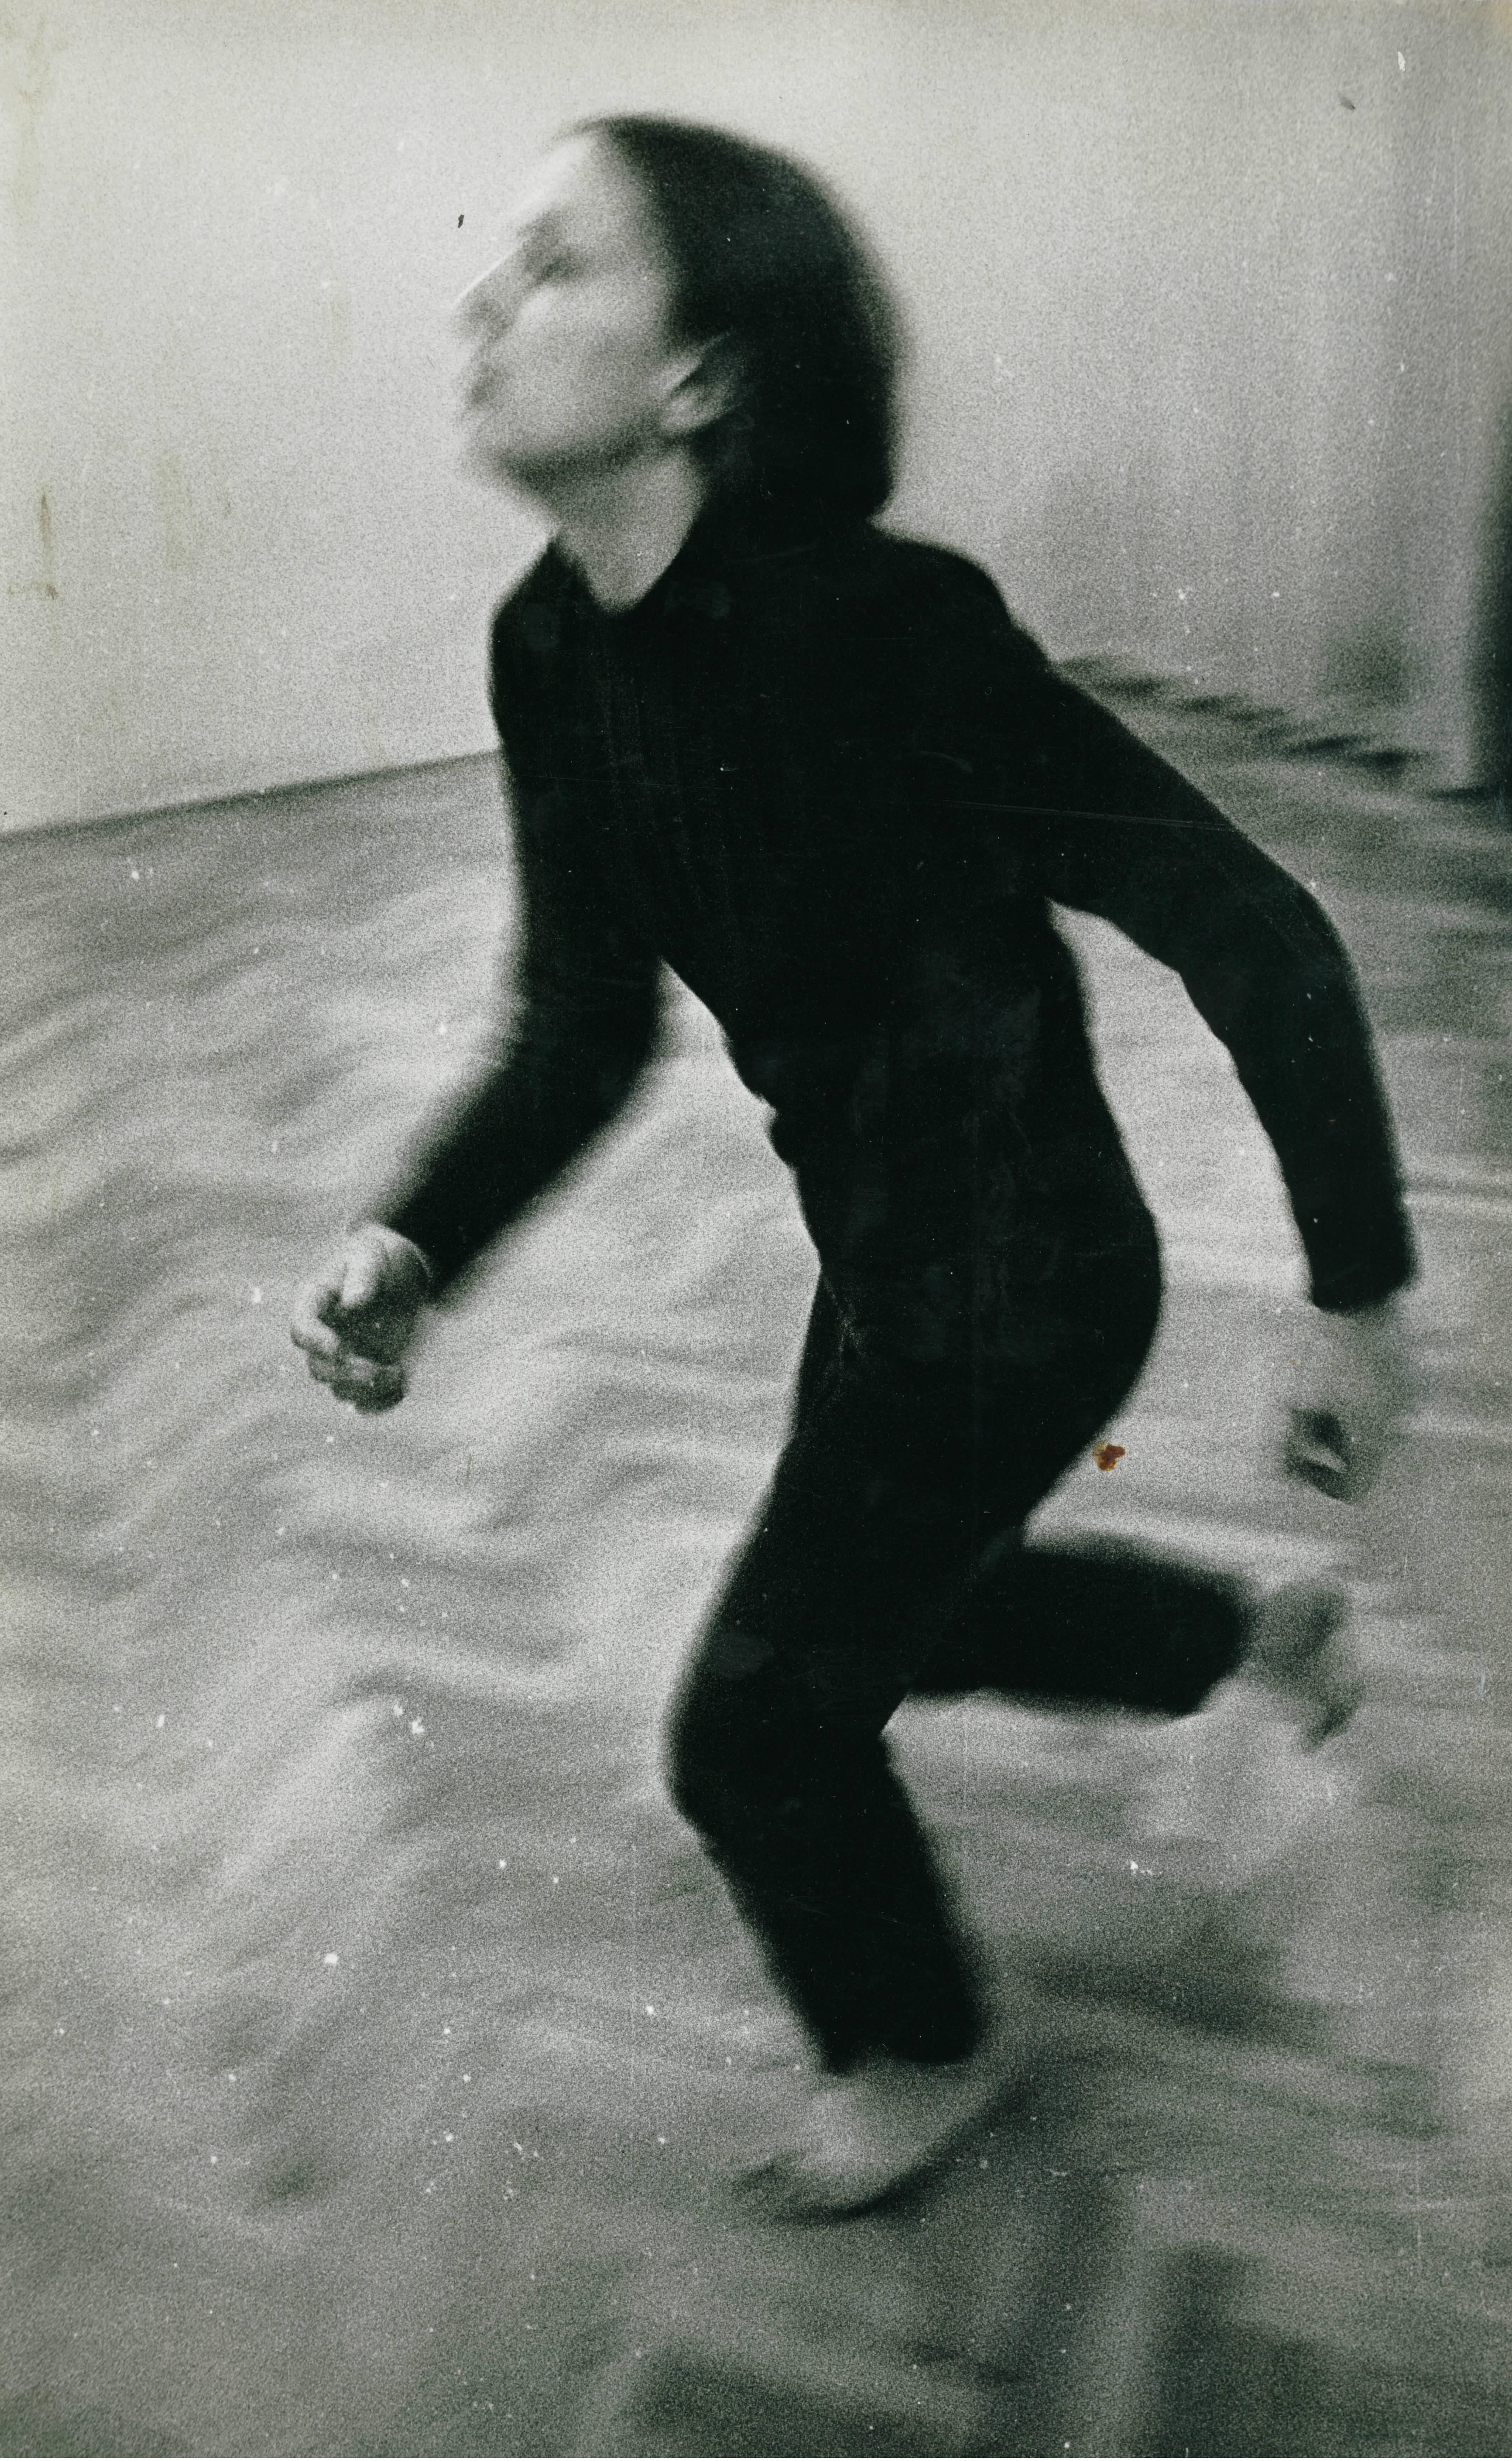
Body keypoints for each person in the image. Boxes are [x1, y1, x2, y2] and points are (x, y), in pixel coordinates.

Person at [291, 116, 1416, 2217]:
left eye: (551, 265)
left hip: (1031, 1279)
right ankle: (1259, 1637)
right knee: (920, 1614)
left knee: (750, 1737)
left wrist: (1359, 1303)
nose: (481, 302)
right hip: (888, 1261)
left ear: (699, 375)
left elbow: (1250, 926)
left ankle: (925, 2051)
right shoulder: (551, 647)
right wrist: (415, 1238)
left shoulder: (889, 634)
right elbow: (582, 1026)